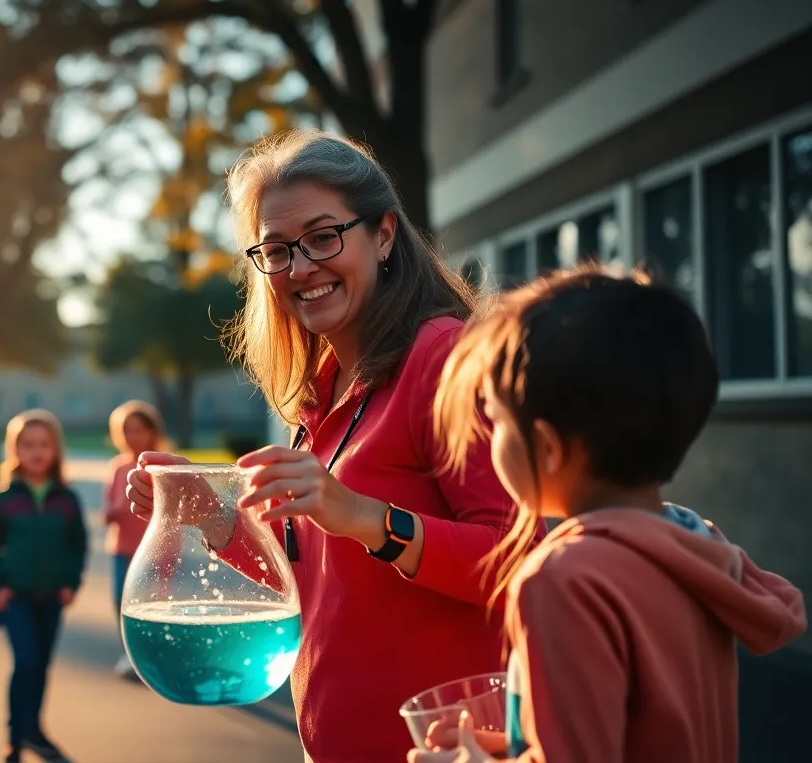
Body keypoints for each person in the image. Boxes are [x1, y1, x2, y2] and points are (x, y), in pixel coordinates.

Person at [126, 129, 526, 762]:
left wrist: (366, 517)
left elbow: (519, 561)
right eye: (278, 249)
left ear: (384, 235)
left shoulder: (445, 357)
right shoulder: (324, 389)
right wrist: (212, 517)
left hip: (446, 750)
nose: (301, 268)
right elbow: (313, 585)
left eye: (322, 237)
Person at [410, 268, 807, 763]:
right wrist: (509, 751)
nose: (488, 440)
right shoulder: (696, 542)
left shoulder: (562, 582)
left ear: (549, 448)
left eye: (495, 420)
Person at [0, 410, 87, 763]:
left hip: (52, 597)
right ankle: (14, 736)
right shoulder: (5, 498)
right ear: (15, 450)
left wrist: (71, 582)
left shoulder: (66, 498)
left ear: (55, 450)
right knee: (25, 661)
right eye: (28, 445)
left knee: (41, 664)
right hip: (16, 596)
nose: (36, 452)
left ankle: (34, 730)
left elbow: (78, 545)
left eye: (44, 445)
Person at [103, 400, 167, 680]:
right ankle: (130, 655)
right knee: (121, 603)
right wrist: (112, 513)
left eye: (139, 430)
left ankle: (151, 657)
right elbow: (109, 507)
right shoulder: (118, 467)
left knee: (153, 604)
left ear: (152, 432)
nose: (134, 437)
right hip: (121, 548)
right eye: (127, 431)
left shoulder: (161, 467)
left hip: (154, 551)